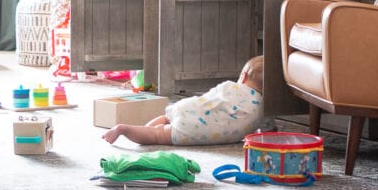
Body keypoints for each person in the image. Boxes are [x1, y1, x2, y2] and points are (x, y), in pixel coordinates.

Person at [101, 55, 264, 146]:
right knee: (158, 136)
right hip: (198, 134)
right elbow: (267, 131)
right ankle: (138, 131)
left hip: (189, 117)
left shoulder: (230, 87)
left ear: (243, 77)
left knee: (164, 122)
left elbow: (208, 99)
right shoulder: (265, 109)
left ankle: (125, 129)